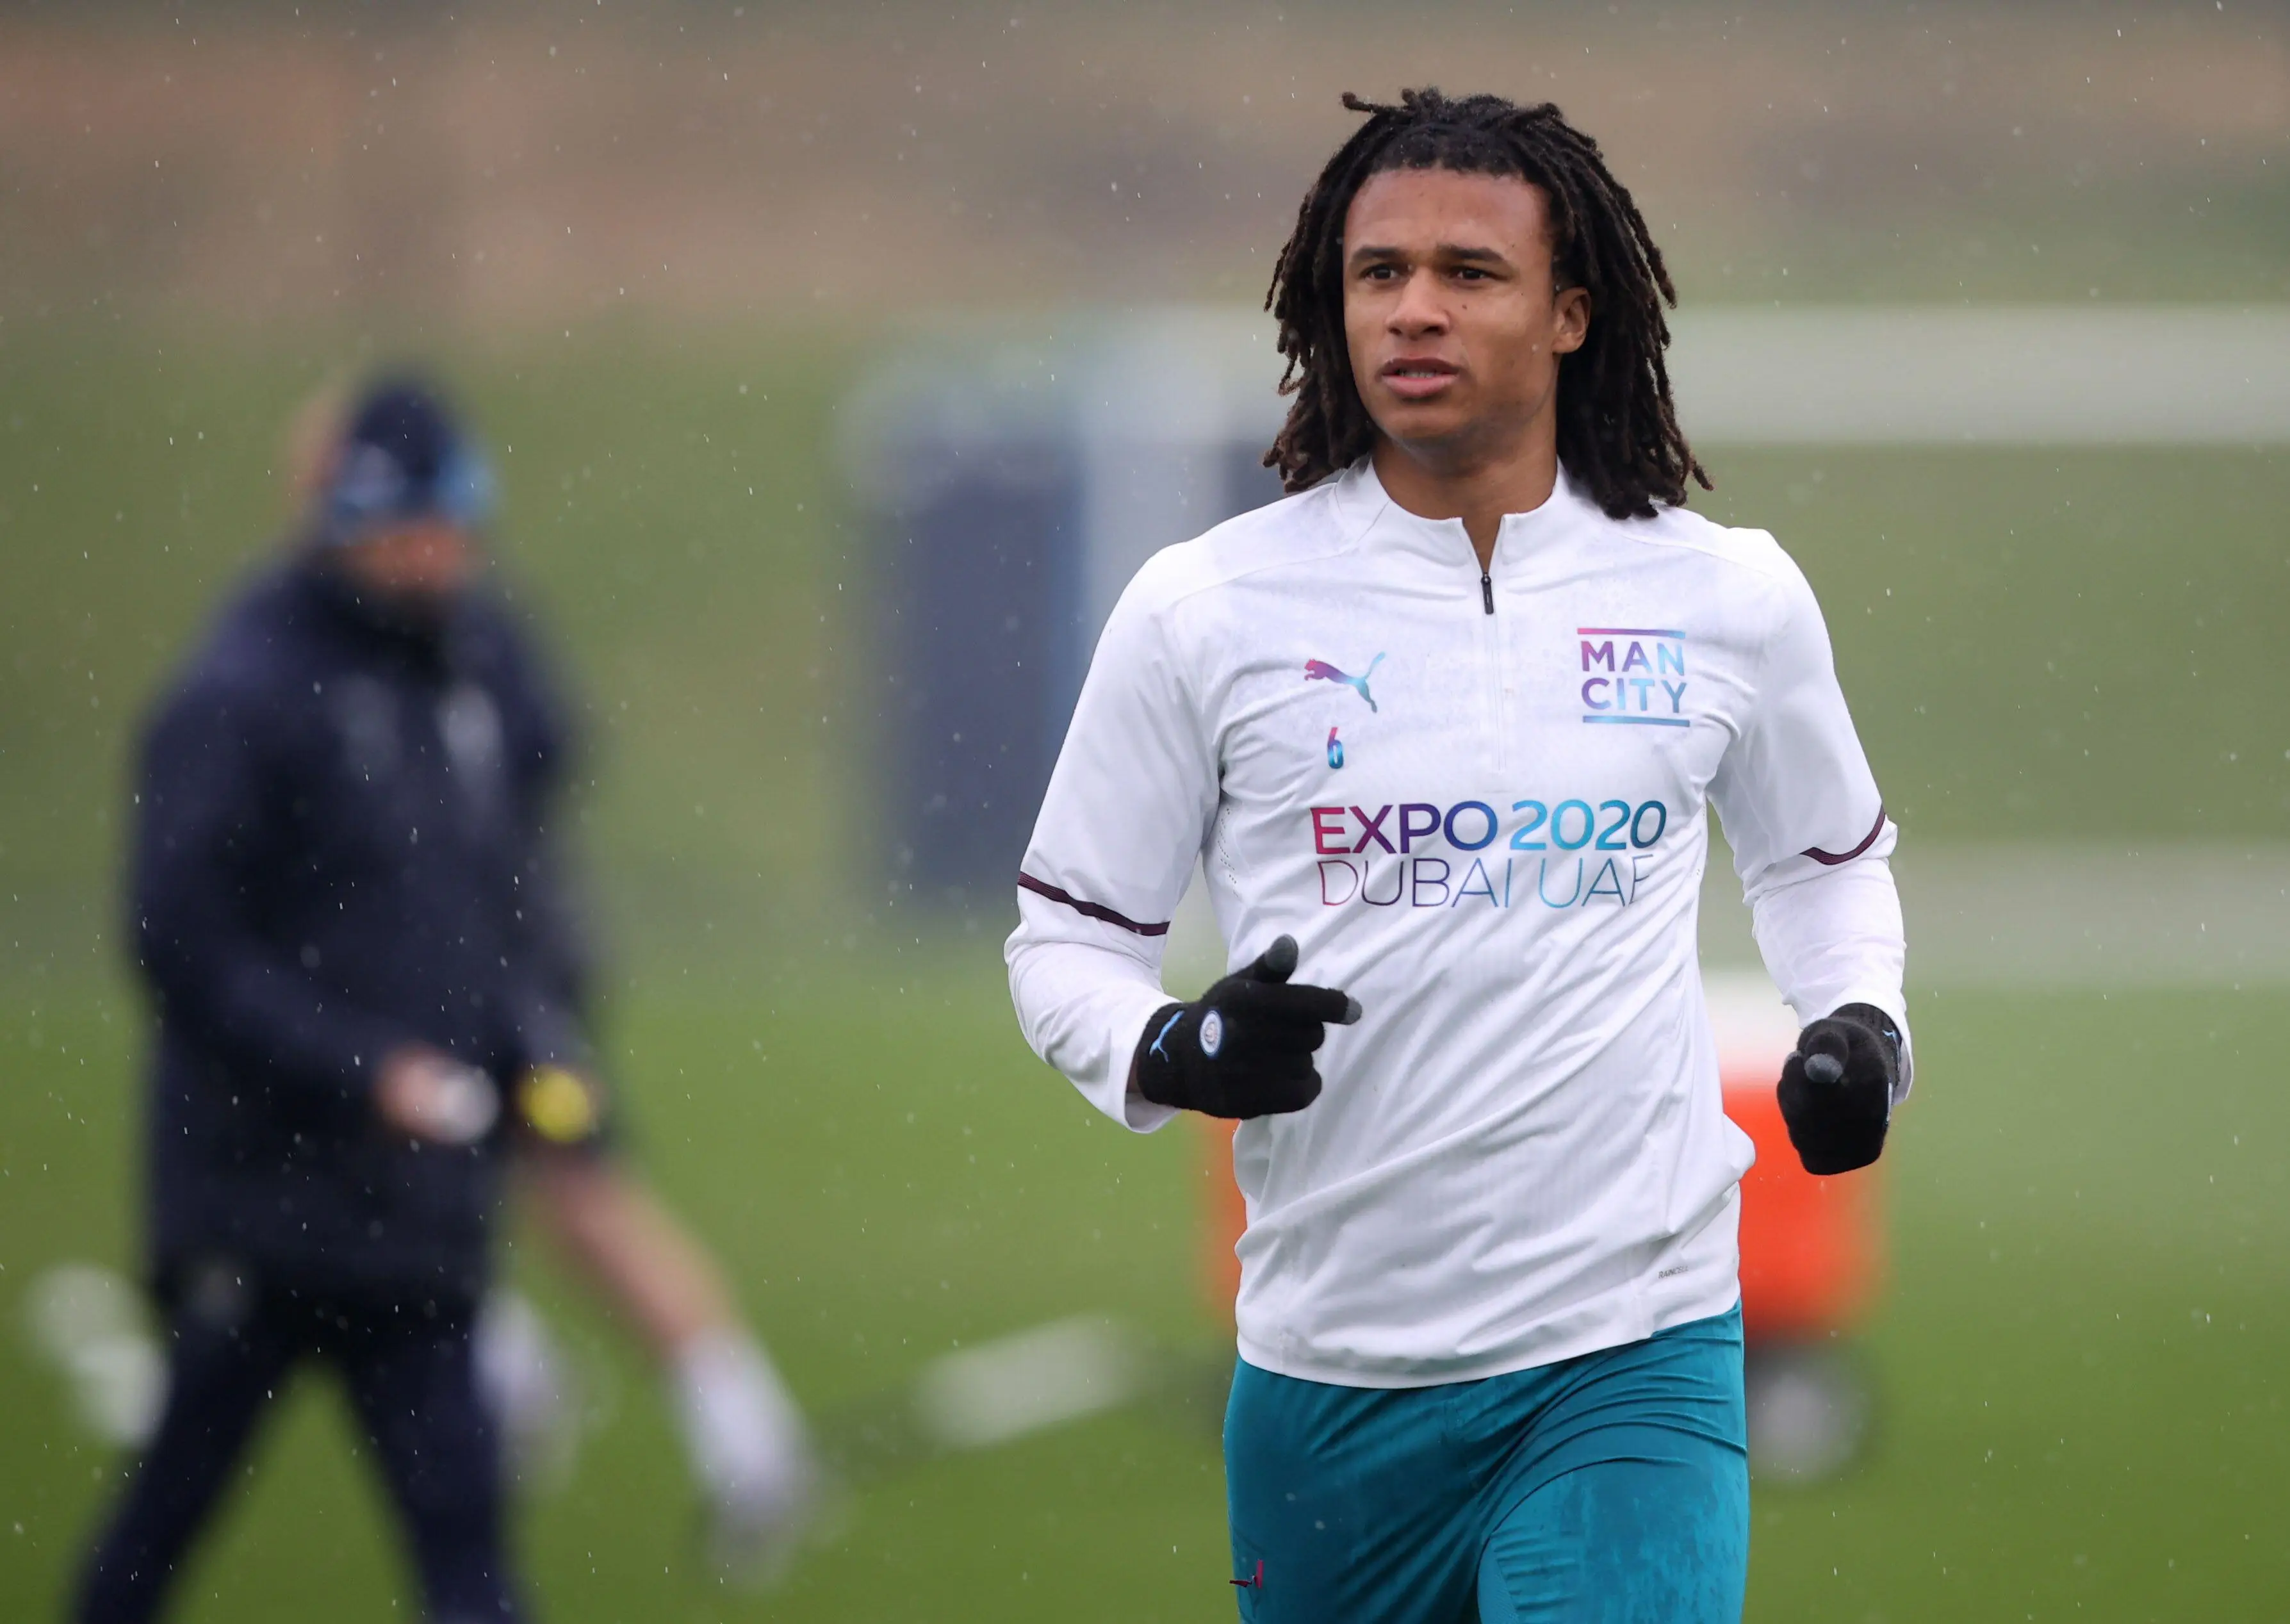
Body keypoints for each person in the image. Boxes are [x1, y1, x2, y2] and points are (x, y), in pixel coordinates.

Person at [1006, 89, 1908, 1623]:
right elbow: (1065, 942)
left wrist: (1864, 1026)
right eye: (1377, 273)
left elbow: (1822, 862)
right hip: (1325, 1378)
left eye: (1467, 274)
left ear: (1568, 313)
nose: (1412, 309)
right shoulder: (1203, 608)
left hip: (1634, 1344)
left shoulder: (1727, 595)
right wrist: (1171, 1044)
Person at [76, 378, 814, 1623]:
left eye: (449, 525)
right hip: (257, 1211)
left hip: (415, 1230)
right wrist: (363, 1074)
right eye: (407, 525)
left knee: (469, 1565)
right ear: (339, 519)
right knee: (159, 1529)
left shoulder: (460, 673)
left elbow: (489, 918)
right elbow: (182, 946)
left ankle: (731, 1418)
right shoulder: (238, 692)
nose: (436, 555)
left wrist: (538, 1056)